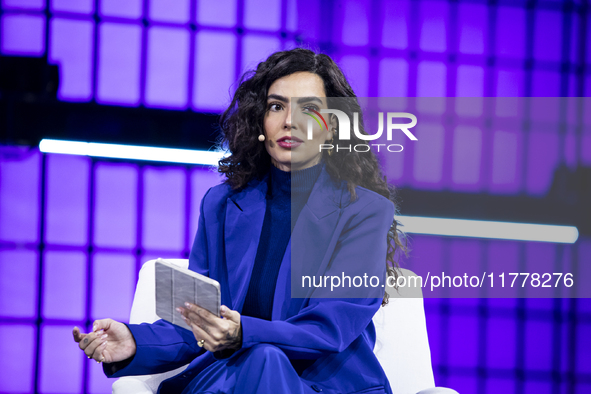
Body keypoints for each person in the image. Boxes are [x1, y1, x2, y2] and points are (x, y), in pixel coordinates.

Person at [72, 48, 406, 394]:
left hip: (323, 386)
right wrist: (135, 342)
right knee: (261, 360)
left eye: (308, 108)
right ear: (260, 121)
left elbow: (331, 326)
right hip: (232, 380)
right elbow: (198, 321)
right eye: (276, 106)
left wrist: (244, 333)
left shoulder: (364, 212)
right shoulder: (220, 205)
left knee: (266, 358)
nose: (289, 120)